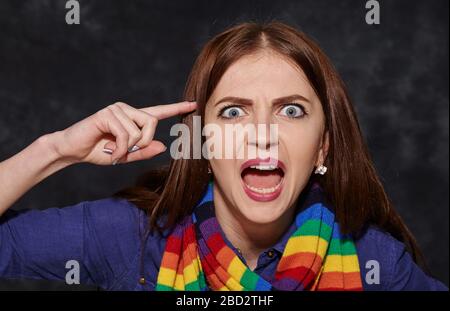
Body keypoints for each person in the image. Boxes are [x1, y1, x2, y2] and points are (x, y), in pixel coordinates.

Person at [0, 21, 447, 291]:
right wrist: (54, 150)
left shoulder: (376, 262)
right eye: (234, 112)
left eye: (291, 111)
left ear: (323, 146)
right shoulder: (129, 238)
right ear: (203, 143)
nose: (262, 135)